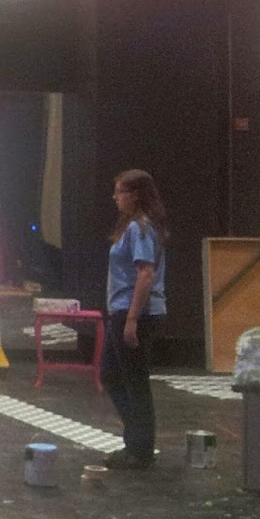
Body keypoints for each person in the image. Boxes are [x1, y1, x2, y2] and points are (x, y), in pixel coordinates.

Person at [103, 169, 167, 470]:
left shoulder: (139, 228)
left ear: (135, 195)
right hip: (123, 310)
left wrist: (131, 319)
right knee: (112, 375)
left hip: (135, 313)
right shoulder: (133, 227)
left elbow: (145, 274)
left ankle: (140, 449)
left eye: (120, 191)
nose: (115, 197)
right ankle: (136, 440)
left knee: (134, 382)